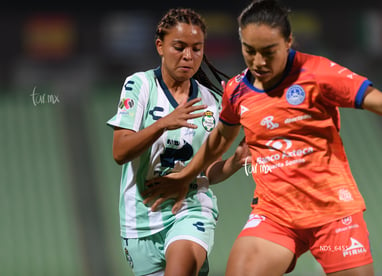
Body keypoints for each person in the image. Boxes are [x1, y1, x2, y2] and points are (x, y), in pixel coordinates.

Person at [143, 0, 382, 275]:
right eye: (250, 51)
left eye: (268, 52)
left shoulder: (317, 72)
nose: (258, 62)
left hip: (333, 211)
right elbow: (220, 139)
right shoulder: (237, 90)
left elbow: (375, 100)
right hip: (274, 215)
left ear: (289, 41)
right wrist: (186, 176)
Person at [107, 8, 249, 276]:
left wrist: (234, 162)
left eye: (197, 49)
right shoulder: (140, 85)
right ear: (160, 46)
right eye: (179, 47)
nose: (188, 56)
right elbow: (120, 152)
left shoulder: (212, 102)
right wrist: (162, 123)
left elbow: (208, 169)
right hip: (140, 220)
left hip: (191, 209)